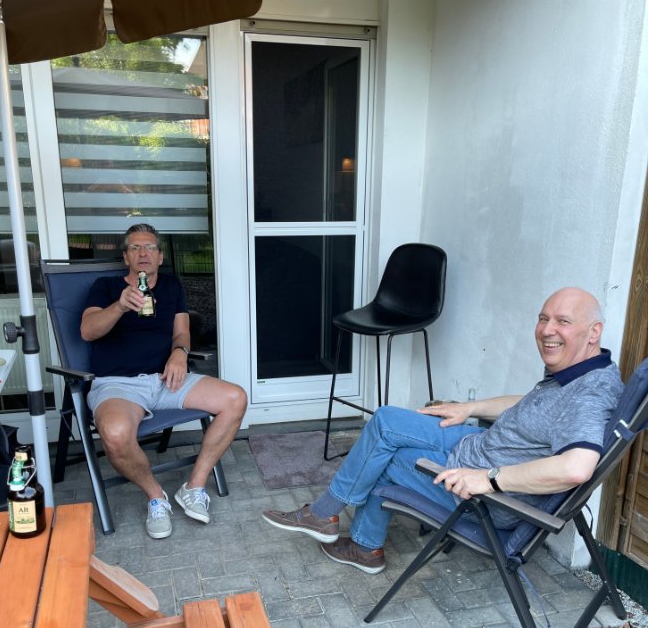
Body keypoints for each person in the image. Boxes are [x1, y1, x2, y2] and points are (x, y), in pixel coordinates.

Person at [262, 287, 622, 573]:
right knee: (385, 420)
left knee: (385, 458)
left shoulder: (590, 395)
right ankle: (328, 517)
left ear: (594, 332)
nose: (547, 330)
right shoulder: (582, 370)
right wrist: (470, 407)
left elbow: (576, 468)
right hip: (479, 445)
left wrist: (489, 480)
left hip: (484, 491)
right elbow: (533, 405)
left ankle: (359, 542)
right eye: (543, 318)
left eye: (562, 321)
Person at [81, 222, 247, 539]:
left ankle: (194, 487)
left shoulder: (171, 285)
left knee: (235, 398)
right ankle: (156, 496)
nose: (143, 253)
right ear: (126, 257)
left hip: (166, 379)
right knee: (115, 435)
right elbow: (87, 331)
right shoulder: (106, 287)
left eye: (150, 247)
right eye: (135, 247)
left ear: (159, 256)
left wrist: (180, 353)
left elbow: (181, 332)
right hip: (118, 385)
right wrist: (119, 306)